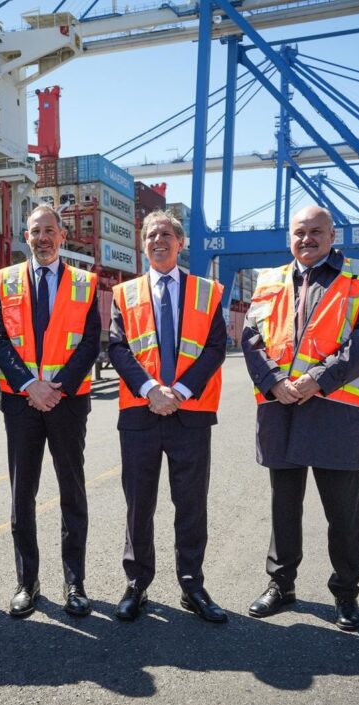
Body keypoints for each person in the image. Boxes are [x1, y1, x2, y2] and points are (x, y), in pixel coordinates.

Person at [241, 205, 359, 631]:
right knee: (283, 508)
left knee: (342, 513)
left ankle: (345, 594)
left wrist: (315, 381)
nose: (307, 239)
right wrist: (274, 383)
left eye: (316, 231)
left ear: (333, 234)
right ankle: (280, 585)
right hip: (280, 408)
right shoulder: (268, 282)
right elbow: (251, 339)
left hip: (335, 410)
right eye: (299, 232)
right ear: (289, 237)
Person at [108, 210, 228, 623]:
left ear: (180, 243)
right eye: (150, 235)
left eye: (165, 234)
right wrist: (150, 390)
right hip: (140, 412)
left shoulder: (207, 291)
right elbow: (118, 348)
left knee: (190, 504)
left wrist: (177, 391)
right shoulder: (125, 293)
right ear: (143, 246)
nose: (157, 240)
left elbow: (215, 348)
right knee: (138, 505)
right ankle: (136, 584)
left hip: (189, 412)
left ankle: (192, 584)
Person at [0, 205, 101, 618]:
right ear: (26, 235)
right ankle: (27, 582)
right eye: (36, 231)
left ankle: (75, 583)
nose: (43, 238)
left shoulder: (85, 283)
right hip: (21, 403)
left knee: (72, 493)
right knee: (22, 495)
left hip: (67, 403)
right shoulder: (7, 279)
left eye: (50, 230)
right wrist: (28, 385)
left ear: (63, 236)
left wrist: (57, 387)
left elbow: (91, 342)